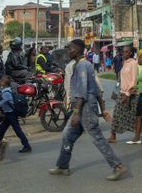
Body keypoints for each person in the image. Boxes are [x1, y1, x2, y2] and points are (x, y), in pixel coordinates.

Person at [48, 39, 128, 181]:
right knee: (67, 135)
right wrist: (103, 109)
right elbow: (96, 89)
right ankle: (62, 165)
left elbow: (82, 91)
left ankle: (117, 166)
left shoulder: (82, 66)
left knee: (97, 137)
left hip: (84, 108)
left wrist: (77, 113)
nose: (68, 51)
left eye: (71, 49)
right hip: (82, 107)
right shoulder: (84, 65)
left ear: (78, 50)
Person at [108, 46, 138, 143]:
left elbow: (133, 80)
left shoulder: (133, 63)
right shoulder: (124, 62)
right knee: (116, 114)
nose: (123, 53)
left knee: (134, 116)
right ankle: (113, 135)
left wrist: (128, 94)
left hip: (130, 94)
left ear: (130, 53)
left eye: (126, 52)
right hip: (121, 92)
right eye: (123, 52)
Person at [0, 75, 32, 153]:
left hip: (11, 113)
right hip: (9, 113)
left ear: (4, 83)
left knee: (17, 130)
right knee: (2, 129)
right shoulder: (8, 89)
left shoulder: (6, 92)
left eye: (2, 81)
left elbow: (6, 99)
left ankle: (27, 146)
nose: (0, 82)